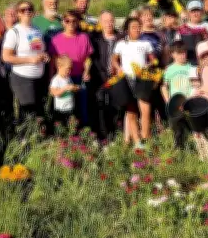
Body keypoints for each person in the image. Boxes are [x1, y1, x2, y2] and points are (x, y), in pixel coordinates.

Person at [2, 0, 49, 122]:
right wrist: (30, 60)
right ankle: (23, 138)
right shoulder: (14, 32)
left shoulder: (37, 30)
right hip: (22, 77)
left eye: (29, 9)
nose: (27, 12)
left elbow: (37, 50)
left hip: (39, 76)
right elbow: (6, 57)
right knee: (28, 113)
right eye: (23, 10)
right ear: (18, 14)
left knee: (39, 112)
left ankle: (36, 138)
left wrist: (44, 56)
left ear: (33, 13)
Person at [112, 17, 156, 148]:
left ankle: (145, 138)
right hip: (127, 78)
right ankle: (137, 142)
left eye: (138, 27)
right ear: (127, 30)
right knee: (131, 111)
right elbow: (114, 60)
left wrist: (148, 65)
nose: (137, 29)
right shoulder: (121, 44)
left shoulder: (146, 43)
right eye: (133, 27)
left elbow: (153, 60)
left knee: (146, 110)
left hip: (142, 77)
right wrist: (118, 68)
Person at [49, 10, 93, 126]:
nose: (71, 24)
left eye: (74, 21)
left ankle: (84, 135)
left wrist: (87, 71)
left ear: (78, 22)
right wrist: (51, 78)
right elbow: (53, 62)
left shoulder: (84, 37)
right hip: (62, 79)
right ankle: (65, 135)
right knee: (64, 109)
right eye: (67, 21)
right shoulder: (56, 40)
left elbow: (87, 58)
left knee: (82, 107)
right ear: (63, 22)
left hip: (79, 77)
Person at [90, 10, 120, 141]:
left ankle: (115, 135)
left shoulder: (121, 38)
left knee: (116, 107)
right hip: (100, 78)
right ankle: (102, 136)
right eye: (105, 21)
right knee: (100, 106)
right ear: (100, 23)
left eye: (111, 21)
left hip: (117, 79)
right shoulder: (95, 40)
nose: (109, 24)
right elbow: (92, 59)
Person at [161, 41, 195, 149]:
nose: (182, 55)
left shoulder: (191, 67)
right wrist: (168, 101)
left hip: (189, 102)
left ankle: (197, 151)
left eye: (183, 52)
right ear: (172, 54)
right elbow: (164, 87)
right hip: (175, 104)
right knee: (177, 130)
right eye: (178, 53)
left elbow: (196, 85)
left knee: (193, 128)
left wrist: (191, 99)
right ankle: (179, 151)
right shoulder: (169, 69)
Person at [50, 55, 79, 127]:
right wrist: (65, 88)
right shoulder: (56, 79)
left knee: (71, 127)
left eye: (70, 69)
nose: (69, 71)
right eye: (67, 69)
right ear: (59, 67)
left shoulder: (68, 78)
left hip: (69, 108)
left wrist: (75, 88)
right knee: (60, 127)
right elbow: (54, 93)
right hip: (60, 110)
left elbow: (71, 89)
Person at [180, 0, 208, 65]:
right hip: (188, 63)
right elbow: (178, 48)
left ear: (202, 12)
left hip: (206, 62)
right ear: (188, 13)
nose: (195, 13)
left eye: (198, 10)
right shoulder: (181, 29)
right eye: (192, 11)